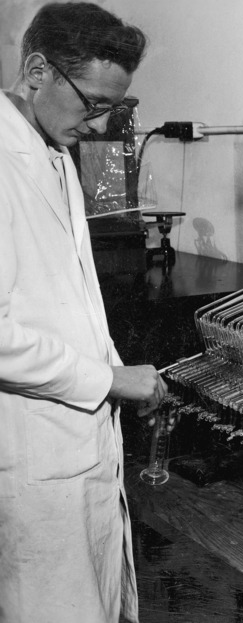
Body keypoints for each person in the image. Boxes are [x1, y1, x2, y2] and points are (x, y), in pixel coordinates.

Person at [0, 4, 166, 622]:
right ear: (37, 70)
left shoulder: (50, 149)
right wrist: (107, 379)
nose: (98, 124)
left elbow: (67, 298)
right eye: (92, 103)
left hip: (76, 440)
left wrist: (116, 370)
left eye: (110, 110)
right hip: (31, 450)